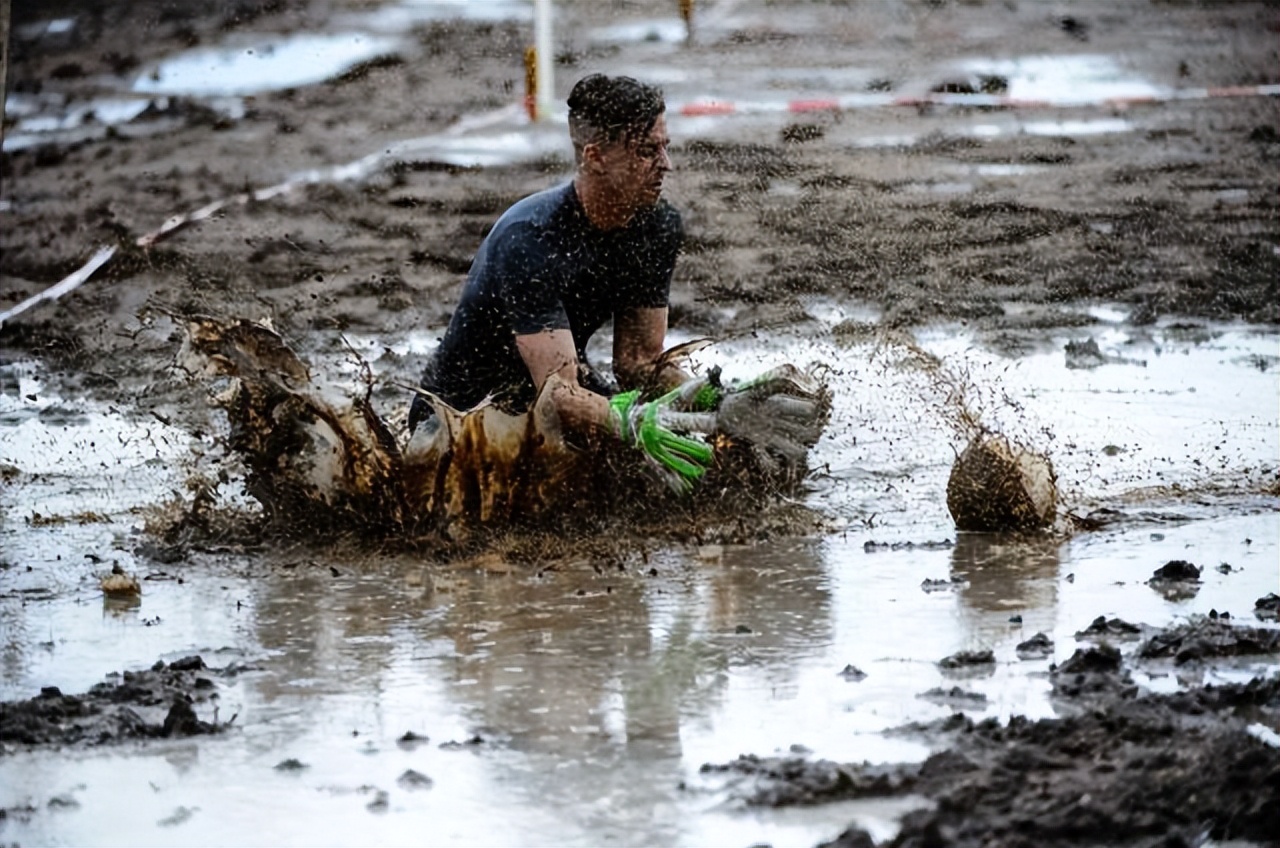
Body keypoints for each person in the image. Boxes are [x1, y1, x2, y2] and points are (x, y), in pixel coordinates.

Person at [408, 73, 713, 489]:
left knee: (695, 474)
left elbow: (638, 363)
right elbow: (557, 395)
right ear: (595, 157)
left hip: (555, 392)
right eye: (646, 151)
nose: (666, 164)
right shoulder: (530, 240)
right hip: (461, 417)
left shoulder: (657, 227)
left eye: (665, 147)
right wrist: (633, 420)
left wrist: (714, 398)